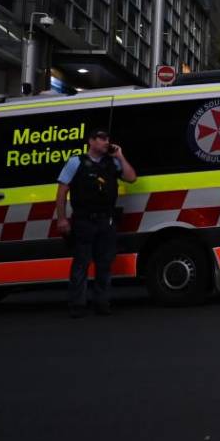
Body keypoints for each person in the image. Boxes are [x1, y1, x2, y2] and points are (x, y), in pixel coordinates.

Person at [54, 128, 137, 318]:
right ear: (91, 141)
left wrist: (120, 156)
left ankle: (102, 302)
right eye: (101, 138)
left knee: (105, 264)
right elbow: (61, 191)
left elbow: (131, 178)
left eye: (107, 138)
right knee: (81, 263)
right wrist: (62, 218)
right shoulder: (76, 162)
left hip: (106, 220)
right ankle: (77, 304)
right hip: (84, 220)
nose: (106, 141)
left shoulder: (112, 162)